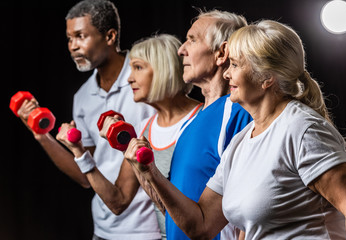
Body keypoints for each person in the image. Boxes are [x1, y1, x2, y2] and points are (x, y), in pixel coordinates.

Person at [124, 20, 346, 239]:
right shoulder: (241, 142)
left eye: (235, 65)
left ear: (266, 77)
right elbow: (201, 224)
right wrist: (149, 172)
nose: (227, 73)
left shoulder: (302, 129)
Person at [16, 0, 160, 239]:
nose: (73, 46)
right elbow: (86, 174)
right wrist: (42, 136)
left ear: (110, 36)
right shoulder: (82, 97)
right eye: (69, 39)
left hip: (146, 229)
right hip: (103, 230)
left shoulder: (145, 81)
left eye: (81, 36)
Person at [58, 33, 203, 240]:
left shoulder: (203, 119)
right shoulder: (145, 128)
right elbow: (118, 202)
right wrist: (79, 152)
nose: (129, 78)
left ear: (163, 69)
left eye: (138, 67)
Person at [125, 10, 252, 240]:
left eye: (192, 40)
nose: (181, 49)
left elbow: (250, 210)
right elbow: (173, 212)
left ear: (221, 53)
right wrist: (142, 169)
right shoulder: (191, 122)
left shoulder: (237, 112)